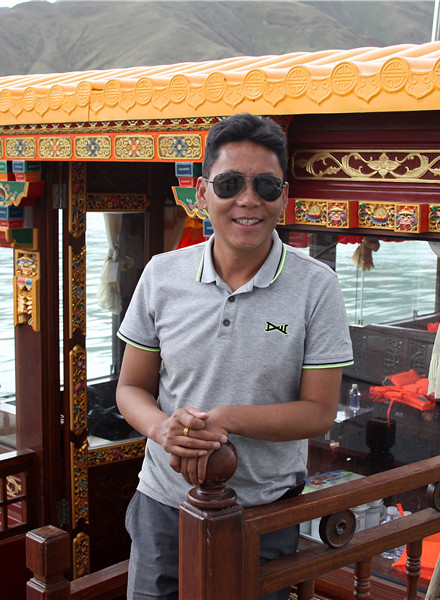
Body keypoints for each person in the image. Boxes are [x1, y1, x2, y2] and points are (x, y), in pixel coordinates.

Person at [116, 112, 354, 600]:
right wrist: (162, 428)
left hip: (263, 512)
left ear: (284, 198)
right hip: (163, 501)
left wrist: (224, 419)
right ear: (203, 194)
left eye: (266, 185)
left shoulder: (317, 287)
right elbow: (131, 388)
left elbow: (319, 412)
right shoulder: (162, 274)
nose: (248, 200)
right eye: (229, 183)